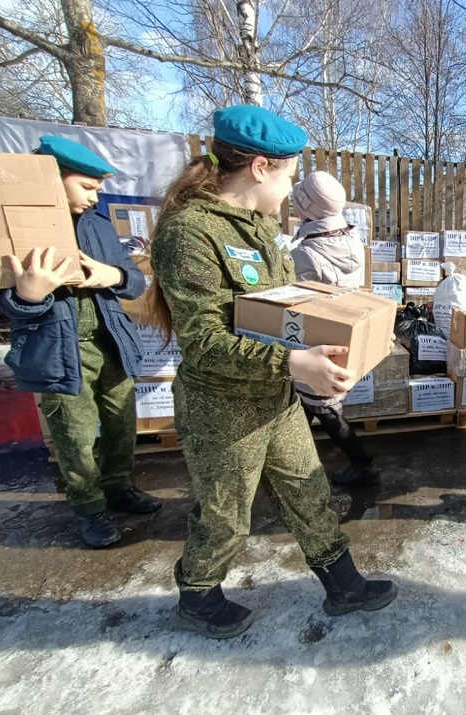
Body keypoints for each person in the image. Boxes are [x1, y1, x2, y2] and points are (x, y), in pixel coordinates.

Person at [148, 105, 396, 639]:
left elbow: (283, 311)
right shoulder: (190, 233)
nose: (289, 190)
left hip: (276, 396)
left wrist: (343, 336)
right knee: (225, 515)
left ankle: (344, 585)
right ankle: (197, 593)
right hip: (223, 408)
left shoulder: (260, 227)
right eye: (287, 174)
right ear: (259, 168)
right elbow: (205, 340)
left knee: (310, 490)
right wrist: (292, 360)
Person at [0, 136, 163, 548]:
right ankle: (90, 508)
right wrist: (29, 295)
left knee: (121, 424)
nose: (95, 194)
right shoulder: (13, 227)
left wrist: (113, 276)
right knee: (74, 435)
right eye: (87, 186)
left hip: (111, 341)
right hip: (57, 348)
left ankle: (118, 485)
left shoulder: (99, 224)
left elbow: (134, 281)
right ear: (52, 179)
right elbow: (1, 300)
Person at [289, 170, 380, 485]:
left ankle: (364, 465)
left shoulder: (305, 251)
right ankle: (291, 464)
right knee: (311, 404)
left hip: (315, 342)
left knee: (324, 408)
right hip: (344, 332)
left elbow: (299, 303)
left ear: (307, 205)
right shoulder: (350, 238)